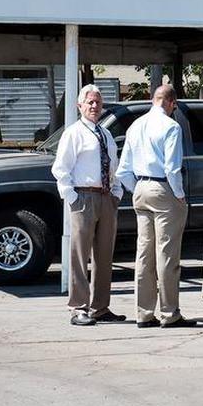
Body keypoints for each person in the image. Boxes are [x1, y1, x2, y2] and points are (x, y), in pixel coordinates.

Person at [116, 84, 195, 329]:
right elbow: (172, 168)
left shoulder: (136, 125)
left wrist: (137, 187)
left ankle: (144, 313)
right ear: (172, 103)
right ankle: (170, 312)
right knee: (167, 253)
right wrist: (179, 194)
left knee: (144, 254)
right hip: (163, 188)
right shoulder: (171, 126)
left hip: (140, 188)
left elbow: (123, 169)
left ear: (153, 100)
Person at [51, 84, 125, 326]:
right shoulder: (73, 133)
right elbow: (60, 169)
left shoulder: (105, 134)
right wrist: (71, 196)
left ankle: (101, 307)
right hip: (83, 197)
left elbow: (113, 166)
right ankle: (78, 308)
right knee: (79, 255)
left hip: (106, 198)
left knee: (105, 256)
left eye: (97, 102)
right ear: (79, 105)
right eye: (90, 102)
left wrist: (116, 193)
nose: (94, 106)